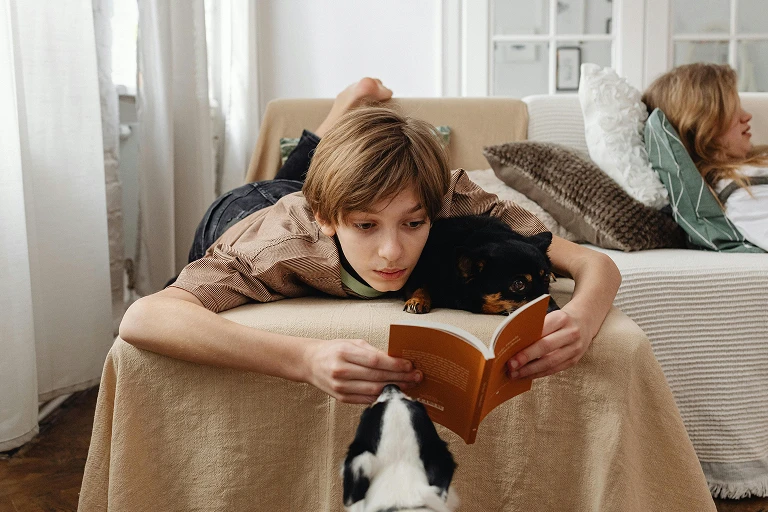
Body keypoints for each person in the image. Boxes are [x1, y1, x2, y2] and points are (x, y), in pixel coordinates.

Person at [119, 78, 622, 404]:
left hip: (320, 198)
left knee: (310, 182)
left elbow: (594, 264)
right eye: (366, 227)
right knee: (285, 184)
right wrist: (304, 359)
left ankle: (346, 118)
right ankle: (342, 111)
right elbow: (145, 317)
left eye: (413, 224)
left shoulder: (453, 198)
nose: (392, 253)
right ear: (329, 220)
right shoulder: (274, 248)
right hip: (244, 210)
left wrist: (579, 318)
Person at [642, 63, 768, 251]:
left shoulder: (751, 166)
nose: (746, 116)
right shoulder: (741, 193)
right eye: (731, 110)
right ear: (702, 124)